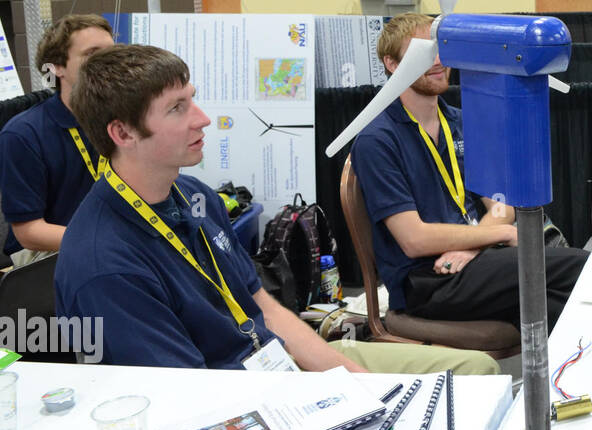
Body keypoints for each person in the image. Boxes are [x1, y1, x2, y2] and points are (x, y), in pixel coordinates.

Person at [54, 44, 496, 374]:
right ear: (123, 133)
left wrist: (355, 382)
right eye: (177, 109)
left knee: (477, 373)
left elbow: (262, 307)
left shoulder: (195, 196)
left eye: (193, 98)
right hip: (228, 401)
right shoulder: (104, 265)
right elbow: (186, 396)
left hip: (275, 360)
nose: (202, 119)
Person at [350, 13, 585, 331]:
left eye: (440, 49)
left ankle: (566, 379)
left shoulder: (462, 121)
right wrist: (501, 234)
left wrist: (472, 245)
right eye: (422, 53)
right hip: (428, 279)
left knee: (564, 306)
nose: (437, 61)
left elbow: (502, 205)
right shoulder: (377, 140)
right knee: (578, 267)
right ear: (392, 64)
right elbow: (414, 239)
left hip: (474, 259)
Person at [0, 14, 115, 267]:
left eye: (111, 52)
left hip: (113, 245)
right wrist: (106, 241)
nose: (107, 63)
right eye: (92, 54)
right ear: (56, 68)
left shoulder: (124, 118)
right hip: (49, 259)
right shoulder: (23, 134)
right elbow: (28, 232)